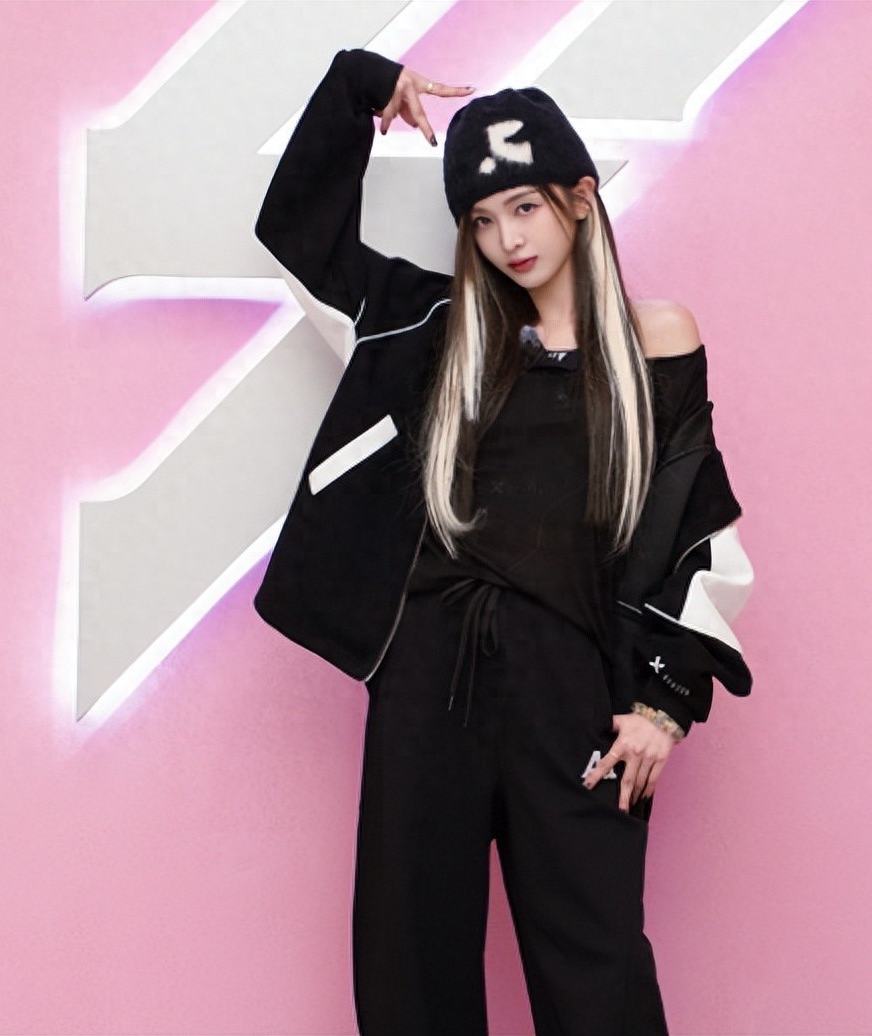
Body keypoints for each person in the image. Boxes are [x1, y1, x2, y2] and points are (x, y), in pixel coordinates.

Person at [252, 47, 755, 1036]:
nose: (506, 238)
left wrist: (662, 702)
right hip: (426, 674)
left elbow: (697, 524)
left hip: (570, 683)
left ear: (579, 198)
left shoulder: (655, 339)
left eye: (524, 206)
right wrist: (358, 88)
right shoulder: (425, 327)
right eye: (481, 220)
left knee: (598, 974)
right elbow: (299, 236)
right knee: (411, 969)